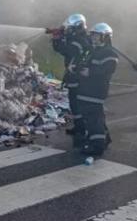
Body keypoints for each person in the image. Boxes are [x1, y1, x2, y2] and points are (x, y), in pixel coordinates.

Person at [48, 13, 91, 147]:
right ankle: (79, 127)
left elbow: (62, 49)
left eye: (70, 28)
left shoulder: (78, 42)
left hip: (77, 76)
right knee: (75, 103)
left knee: (77, 103)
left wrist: (57, 37)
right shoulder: (79, 38)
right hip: (77, 75)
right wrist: (60, 34)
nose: (68, 30)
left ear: (77, 27)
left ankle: (82, 129)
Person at [76, 23, 119, 156]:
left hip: (95, 90)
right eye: (93, 35)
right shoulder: (92, 50)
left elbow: (108, 69)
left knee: (94, 118)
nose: (93, 38)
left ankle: (97, 146)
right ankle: (103, 138)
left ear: (105, 37)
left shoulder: (109, 52)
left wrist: (90, 72)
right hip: (85, 89)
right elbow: (83, 63)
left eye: (96, 35)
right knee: (93, 118)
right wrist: (76, 68)